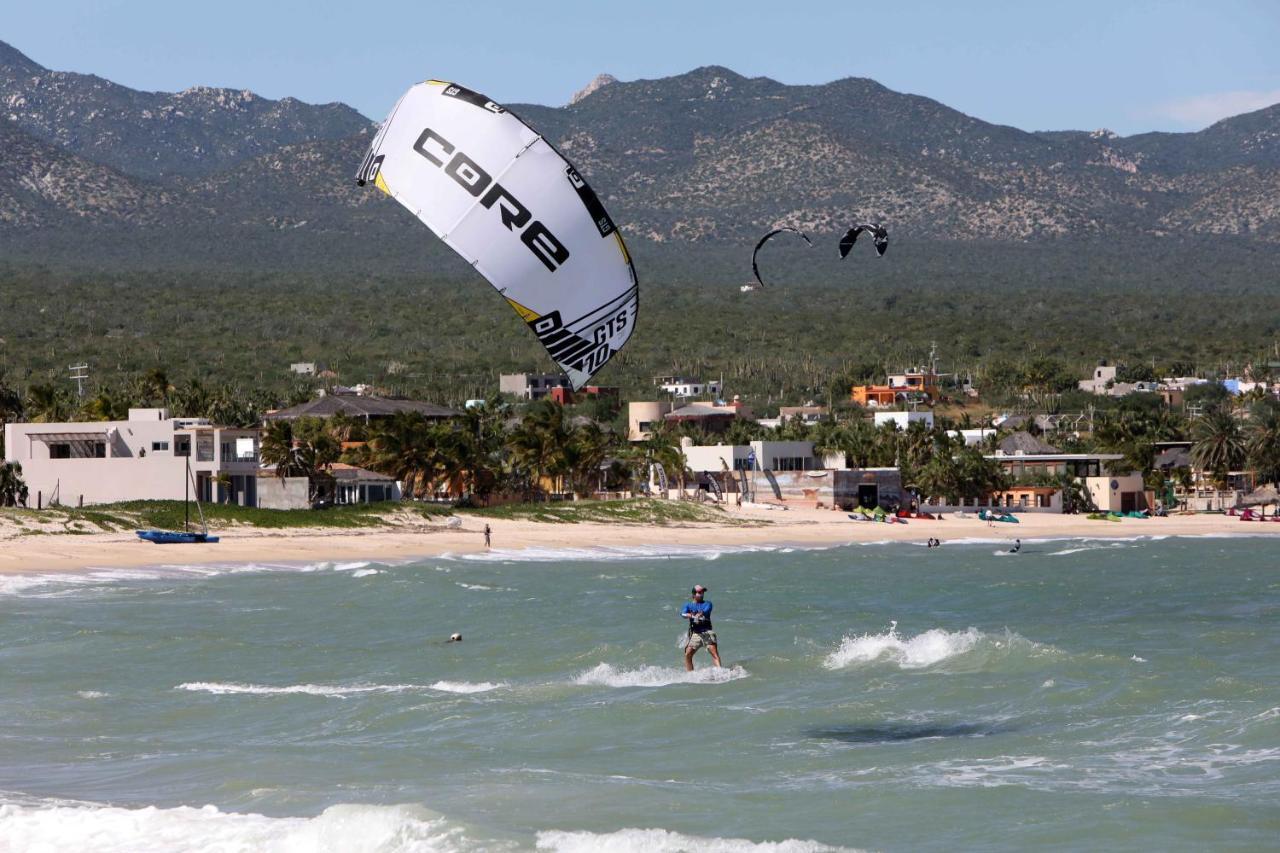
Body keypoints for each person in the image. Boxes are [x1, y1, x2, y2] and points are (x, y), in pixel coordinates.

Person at [681, 584, 721, 670]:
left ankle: (720, 672)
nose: (702, 594)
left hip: (707, 632)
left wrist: (700, 614)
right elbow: (683, 614)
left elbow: (706, 611)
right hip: (696, 634)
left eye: (703, 592)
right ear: (694, 594)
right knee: (688, 654)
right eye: (699, 592)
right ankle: (690, 675)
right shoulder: (688, 605)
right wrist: (690, 615)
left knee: (714, 653)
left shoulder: (708, 604)